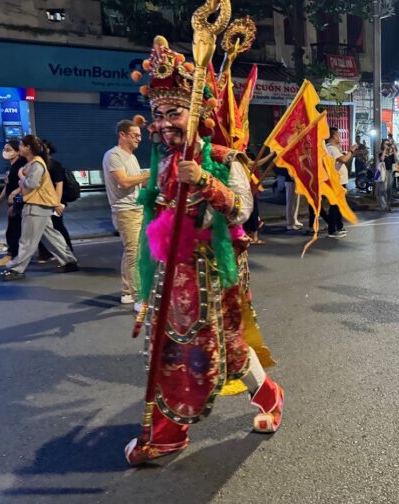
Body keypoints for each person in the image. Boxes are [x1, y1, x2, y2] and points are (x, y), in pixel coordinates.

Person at [124, 36, 283, 465]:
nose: (163, 124)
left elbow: (241, 212)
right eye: (158, 115)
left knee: (227, 350)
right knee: (168, 350)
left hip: (215, 274)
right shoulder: (162, 164)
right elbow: (154, 225)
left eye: (173, 112)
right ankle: (169, 432)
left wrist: (206, 183)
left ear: (198, 114)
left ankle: (269, 395)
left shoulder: (225, 159)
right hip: (171, 276)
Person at [0, 135, 78, 281]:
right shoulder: (33, 164)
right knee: (51, 237)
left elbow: (31, 185)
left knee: (27, 240)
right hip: (39, 206)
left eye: (22, 146)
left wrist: (21, 176)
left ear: (28, 148)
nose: (20, 148)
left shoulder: (36, 164)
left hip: (35, 206)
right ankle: (69, 261)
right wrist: (16, 194)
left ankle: (17, 269)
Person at [103, 119, 151, 308]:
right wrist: (149, 173)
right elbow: (124, 182)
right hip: (125, 210)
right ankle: (138, 296)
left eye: (140, 135)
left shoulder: (131, 156)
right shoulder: (114, 155)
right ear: (122, 135)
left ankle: (126, 292)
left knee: (132, 252)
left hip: (137, 208)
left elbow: (138, 182)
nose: (139, 139)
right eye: (135, 135)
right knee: (135, 255)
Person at [37, 141, 74, 262]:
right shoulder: (41, 164)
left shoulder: (54, 165)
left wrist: (57, 203)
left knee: (57, 226)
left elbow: (59, 185)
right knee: (44, 227)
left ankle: (68, 252)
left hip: (56, 201)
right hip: (46, 201)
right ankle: (46, 253)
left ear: (48, 149)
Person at [0, 139, 26, 267]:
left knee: (13, 229)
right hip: (13, 201)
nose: (5, 152)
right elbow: (7, 187)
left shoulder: (21, 166)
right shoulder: (12, 166)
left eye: (9, 150)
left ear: (17, 151)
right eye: (5, 149)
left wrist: (15, 204)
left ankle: (11, 255)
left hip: (19, 200)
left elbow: (26, 184)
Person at [325, 126, 357, 235]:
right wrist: (351, 151)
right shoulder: (331, 149)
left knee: (339, 206)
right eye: (339, 135)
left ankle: (339, 226)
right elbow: (343, 159)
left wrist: (351, 153)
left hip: (340, 181)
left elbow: (345, 159)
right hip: (336, 181)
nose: (340, 137)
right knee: (335, 206)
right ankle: (332, 229)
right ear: (333, 136)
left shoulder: (334, 148)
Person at [377, 137, 398, 212]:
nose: (387, 145)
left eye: (388, 143)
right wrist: (385, 150)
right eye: (385, 143)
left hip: (390, 172)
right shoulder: (381, 153)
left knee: (389, 190)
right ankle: (383, 206)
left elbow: (396, 160)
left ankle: (388, 206)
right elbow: (382, 159)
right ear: (383, 145)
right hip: (383, 172)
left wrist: (394, 149)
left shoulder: (391, 154)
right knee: (383, 190)